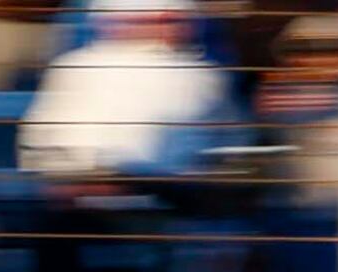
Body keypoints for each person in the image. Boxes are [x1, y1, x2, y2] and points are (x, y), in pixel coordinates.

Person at [18, 0, 238, 184]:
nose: (175, 27)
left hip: (167, 200)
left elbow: (226, 143)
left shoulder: (201, 76)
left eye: (175, 20)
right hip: (80, 199)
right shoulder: (75, 68)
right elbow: (39, 143)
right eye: (163, 20)